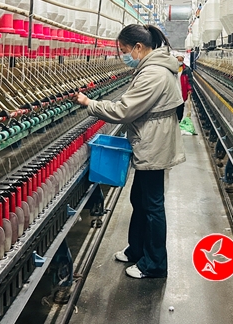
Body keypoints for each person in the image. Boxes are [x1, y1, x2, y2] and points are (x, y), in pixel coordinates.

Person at [73, 24, 186, 279]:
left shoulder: (154, 73)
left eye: (124, 51)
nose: (124, 56)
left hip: (154, 144)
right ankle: (137, 250)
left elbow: (124, 111)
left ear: (138, 47)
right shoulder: (152, 67)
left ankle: (154, 264)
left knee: (153, 205)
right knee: (139, 199)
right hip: (150, 139)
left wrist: (90, 103)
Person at [175, 55, 192, 121]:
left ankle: (179, 120)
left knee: (180, 107)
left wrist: (189, 89)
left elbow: (189, 80)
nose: (179, 61)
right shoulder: (172, 68)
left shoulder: (186, 69)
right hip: (174, 91)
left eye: (181, 60)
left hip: (182, 91)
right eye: (178, 60)